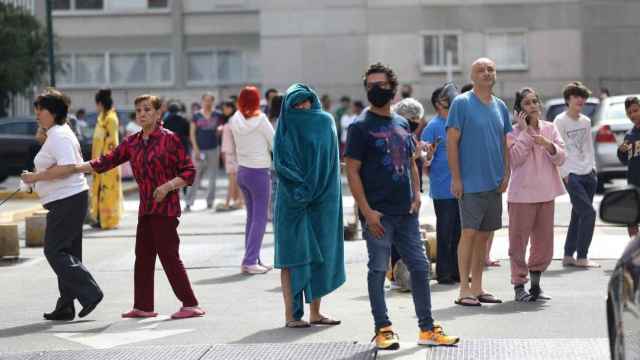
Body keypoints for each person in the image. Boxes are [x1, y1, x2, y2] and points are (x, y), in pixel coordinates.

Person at [345, 62, 459, 350]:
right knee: (378, 269)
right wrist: (367, 212)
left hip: (406, 213)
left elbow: (411, 161)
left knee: (420, 269)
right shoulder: (360, 127)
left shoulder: (400, 123)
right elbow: (352, 171)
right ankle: (383, 328)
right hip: (378, 215)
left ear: (392, 89)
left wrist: (417, 193)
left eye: (380, 85)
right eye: (370, 85)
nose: (375, 90)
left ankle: (427, 328)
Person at [71, 94, 204, 319]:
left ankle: (190, 304)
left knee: (169, 256)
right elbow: (106, 162)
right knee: (142, 256)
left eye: (147, 109)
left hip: (166, 209)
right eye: (139, 110)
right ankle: (143, 306)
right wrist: (73, 168)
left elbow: (189, 171)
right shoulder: (132, 142)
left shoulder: (169, 139)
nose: (142, 114)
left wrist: (167, 186)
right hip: (146, 209)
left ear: (158, 113)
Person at [21, 88, 103, 321]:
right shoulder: (56, 133)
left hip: (67, 199)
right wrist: (33, 179)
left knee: (54, 251)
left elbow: (67, 167)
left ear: (53, 112)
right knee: (67, 252)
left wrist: (35, 177)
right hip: (68, 199)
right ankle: (66, 306)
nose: (37, 113)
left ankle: (90, 292)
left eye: (41, 109)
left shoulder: (59, 135)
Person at [273, 83, 345, 328]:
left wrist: (310, 190)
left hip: (321, 201)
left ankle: (315, 312)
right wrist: (301, 189)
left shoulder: (325, 122)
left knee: (320, 256)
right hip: (292, 203)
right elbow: (281, 163)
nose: (303, 107)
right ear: (288, 107)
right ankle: (291, 315)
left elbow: (329, 162)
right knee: (291, 258)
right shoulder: (284, 127)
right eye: (296, 104)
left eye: (307, 102)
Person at [447, 58, 512, 307]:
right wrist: (456, 178)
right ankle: (464, 289)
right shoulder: (461, 103)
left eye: (490, 69)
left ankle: (478, 287)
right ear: (472, 76)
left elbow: (504, 143)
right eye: (480, 70)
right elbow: (452, 142)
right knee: (469, 234)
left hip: (494, 183)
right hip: (470, 182)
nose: (486, 73)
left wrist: (506, 174)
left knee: (484, 237)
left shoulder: (501, 106)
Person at [507, 87, 566, 302]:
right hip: (521, 196)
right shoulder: (512, 132)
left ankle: (536, 286)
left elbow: (561, 158)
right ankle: (518, 287)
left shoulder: (550, 129)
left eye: (535, 101)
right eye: (527, 103)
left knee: (543, 244)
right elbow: (515, 160)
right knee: (517, 244)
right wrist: (525, 133)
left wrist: (547, 144)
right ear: (519, 110)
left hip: (545, 194)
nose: (533, 106)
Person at [229, 86, 275, 274]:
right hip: (259, 172)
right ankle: (250, 261)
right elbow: (275, 142)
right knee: (260, 218)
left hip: (243, 172)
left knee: (252, 218)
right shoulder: (262, 120)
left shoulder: (234, 119)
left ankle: (252, 258)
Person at [555, 81, 599, 268]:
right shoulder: (560, 121)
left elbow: (589, 147)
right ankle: (582, 256)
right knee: (589, 213)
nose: (581, 100)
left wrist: (593, 168)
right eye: (576, 96)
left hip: (588, 173)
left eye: (583, 96)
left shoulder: (586, 121)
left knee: (578, 214)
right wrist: (564, 174)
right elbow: (557, 149)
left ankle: (567, 255)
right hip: (572, 174)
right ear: (568, 99)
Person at [421, 86, 461, 284]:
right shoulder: (433, 126)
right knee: (445, 231)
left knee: (460, 232)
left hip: (461, 186)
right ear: (438, 104)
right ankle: (444, 273)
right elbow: (423, 159)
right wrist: (429, 154)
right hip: (442, 188)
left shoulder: (458, 123)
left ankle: (458, 271)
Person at [90, 88, 123, 229]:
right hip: (98, 162)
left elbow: (112, 143)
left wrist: (106, 161)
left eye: (96, 104)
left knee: (108, 191)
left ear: (101, 104)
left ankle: (108, 219)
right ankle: (99, 218)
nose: (96, 107)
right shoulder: (101, 119)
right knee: (98, 190)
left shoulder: (111, 119)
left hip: (108, 163)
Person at [186, 92, 222, 211]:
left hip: (213, 148)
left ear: (213, 101)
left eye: (210, 100)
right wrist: (195, 149)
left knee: (213, 177)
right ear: (202, 101)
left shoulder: (218, 114)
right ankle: (189, 202)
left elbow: (221, 129)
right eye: (205, 100)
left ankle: (210, 201)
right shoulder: (196, 115)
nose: (208, 102)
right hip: (199, 149)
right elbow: (192, 133)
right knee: (195, 176)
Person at [617, 96, 640, 238]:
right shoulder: (629, 135)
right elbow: (626, 161)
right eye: (629, 113)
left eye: (636, 110)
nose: (633, 115)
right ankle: (636, 252)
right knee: (632, 219)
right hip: (633, 184)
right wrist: (621, 151)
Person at [219, 100, 244, 211]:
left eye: (226, 108)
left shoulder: (233, 120)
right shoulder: (232, 120)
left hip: (232, 153)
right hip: (231, 153)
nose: (224, 110)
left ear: (231, 108)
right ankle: (238, 201)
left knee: (233, 179)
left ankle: (230, 201)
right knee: (235, 179)